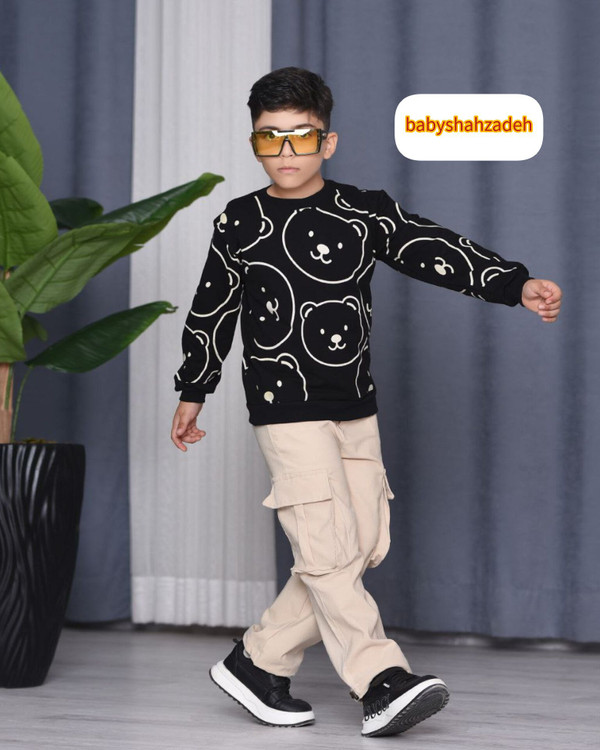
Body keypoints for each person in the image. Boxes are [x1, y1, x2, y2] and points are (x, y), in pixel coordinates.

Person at [170, 66, 562, 738]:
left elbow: (433, 247)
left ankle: (257, 661)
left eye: (301, 136)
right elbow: (212, 309)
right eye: (269, 138)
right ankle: (381, 680)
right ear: (254, 143)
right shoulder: (239, 222)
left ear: (328, 141)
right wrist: (194, 389)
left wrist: (513, 284)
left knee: (360, 544)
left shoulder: (362, 211)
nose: (285, 151)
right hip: (283, 405)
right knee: (326, 545)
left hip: (354, 403)